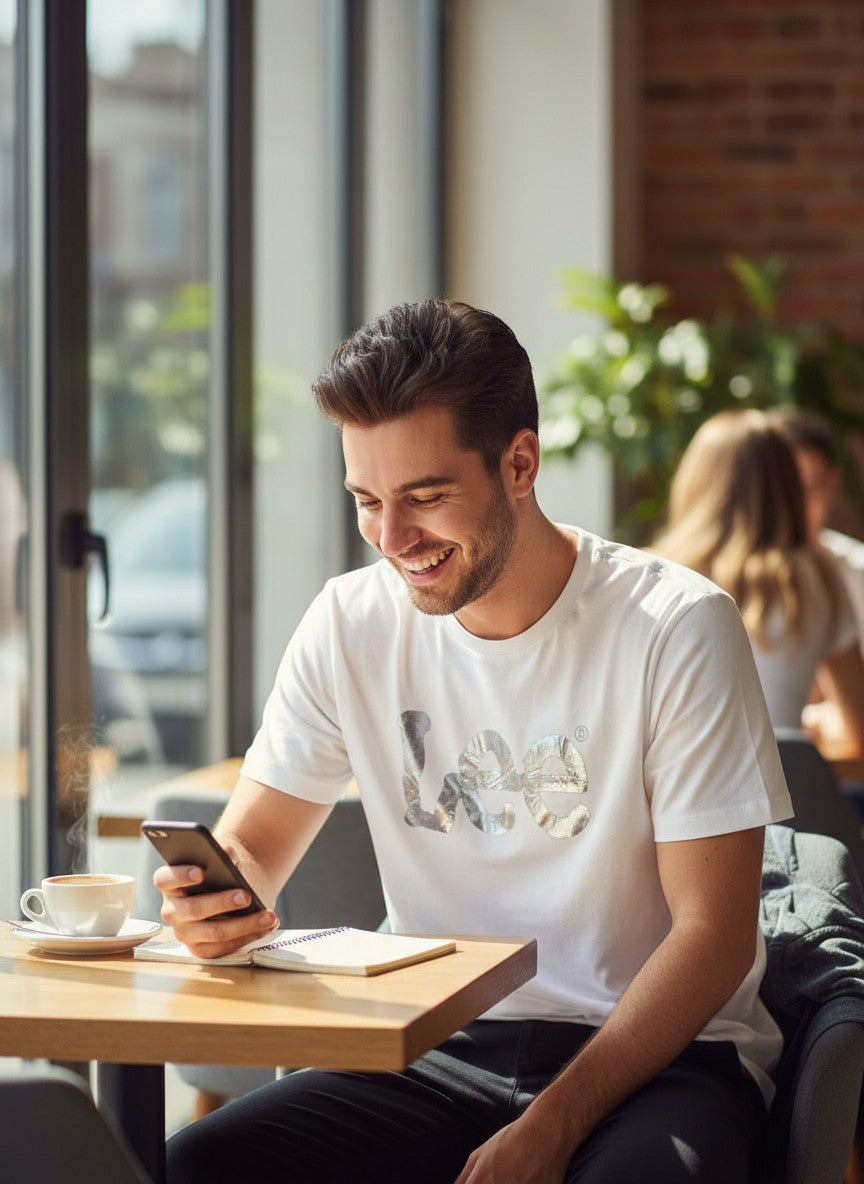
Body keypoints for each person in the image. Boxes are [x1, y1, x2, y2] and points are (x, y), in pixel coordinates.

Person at [161, 300, 792, 1184]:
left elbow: (713, 937)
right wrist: (218, 899)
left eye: (425, 498)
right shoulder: (348, 622)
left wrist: (552, 1124)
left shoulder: (675, 625)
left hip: (660, 1057)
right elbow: (255, 846)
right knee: (204, 1163)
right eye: (367, 502)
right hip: (436, 1043)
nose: (392, 540)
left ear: (519, 463)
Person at [652, 408, 864, 751]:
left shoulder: (651, 578)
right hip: (789, 783)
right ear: (788, 488)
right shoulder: (818, 579)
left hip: (677, 781)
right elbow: (859, 730)